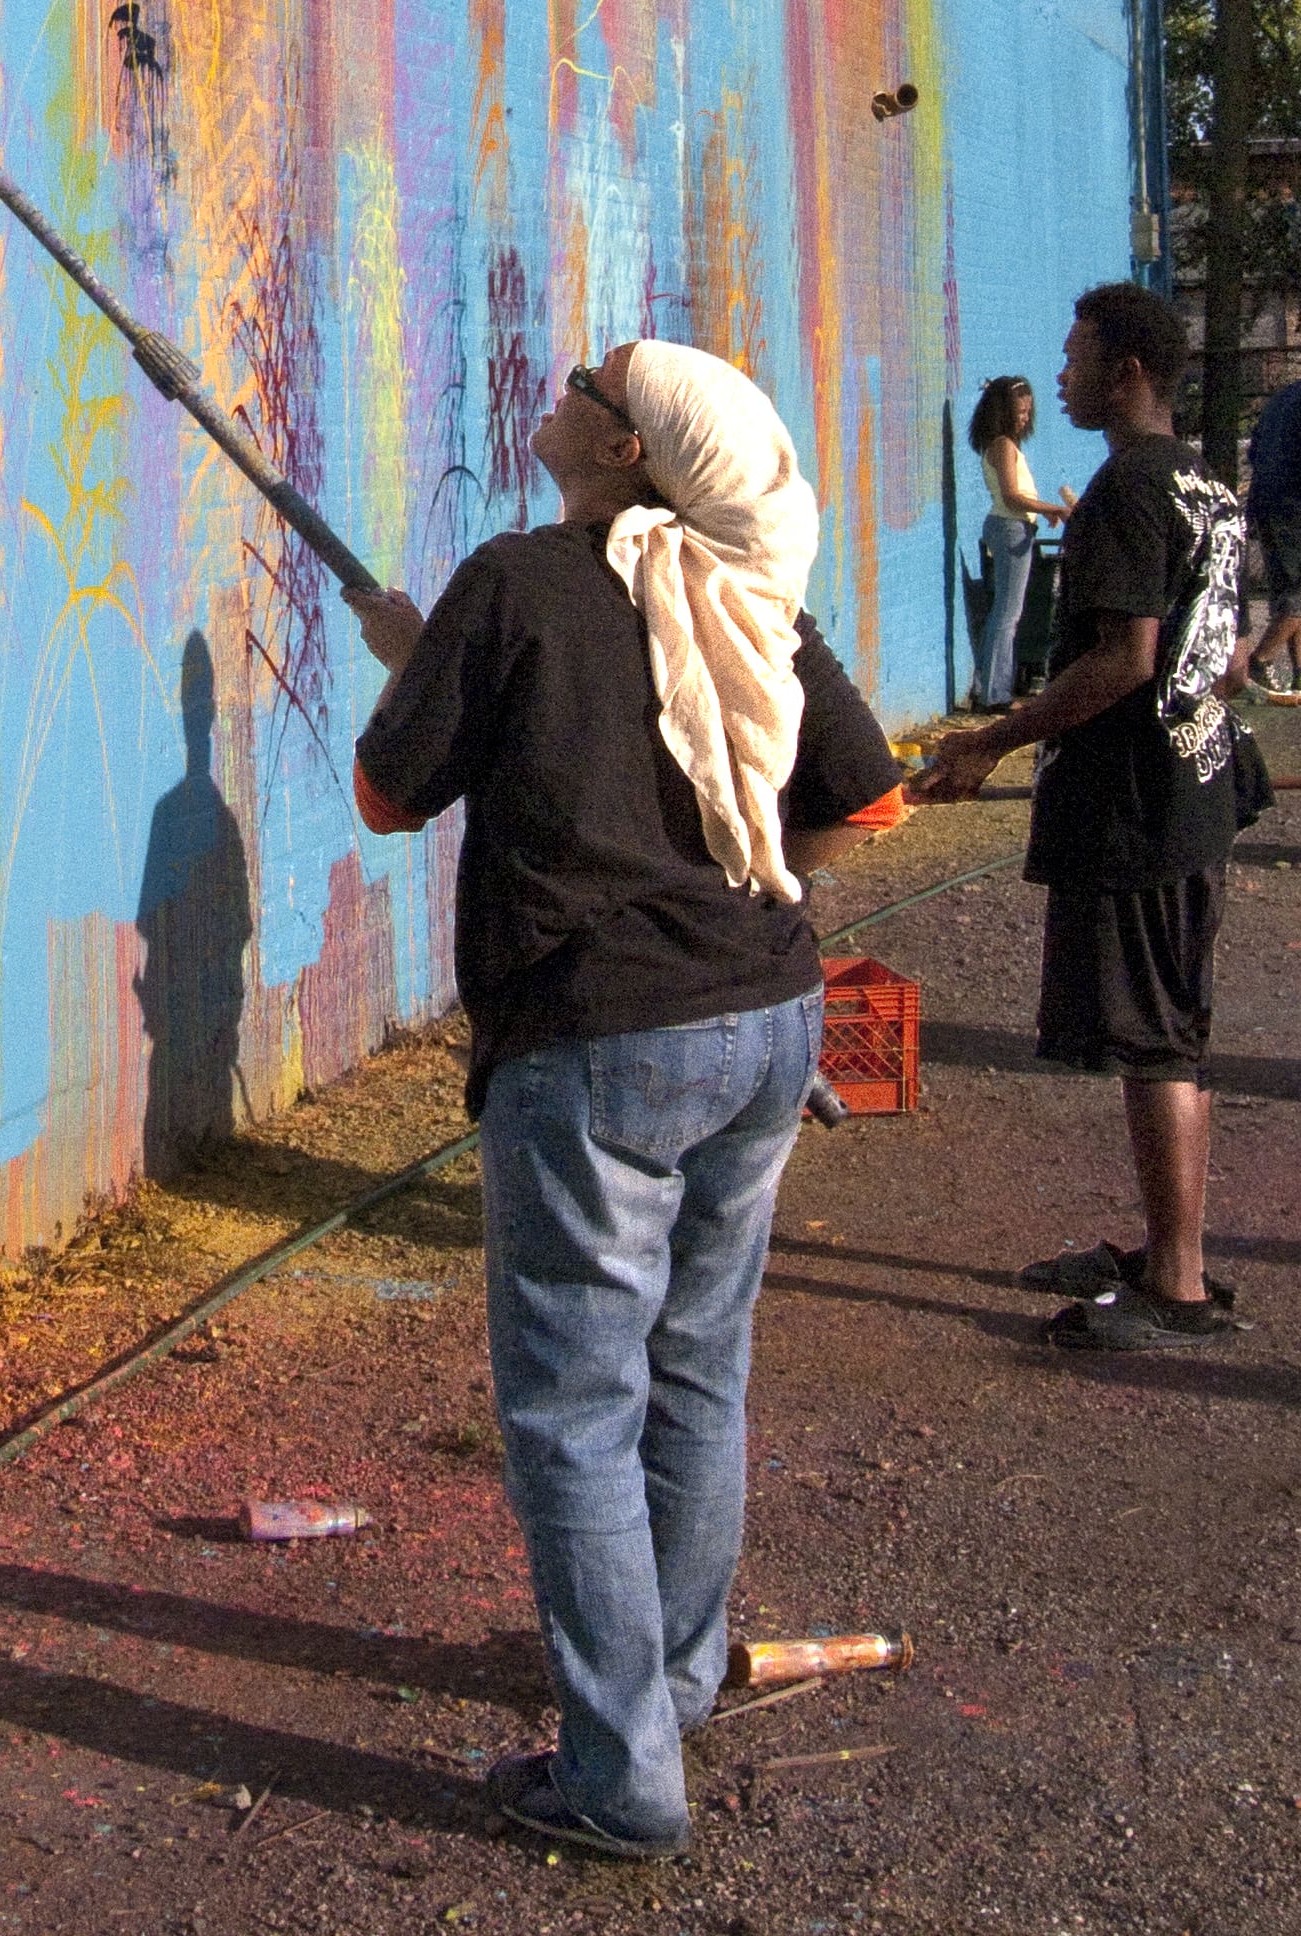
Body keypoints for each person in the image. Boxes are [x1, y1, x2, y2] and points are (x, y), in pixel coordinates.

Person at [344, 342, 900, 1862]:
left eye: (598, 379)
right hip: (768, 1014)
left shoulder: (516, 582)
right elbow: (867, 792)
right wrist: (727, 902)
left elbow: (392, 796)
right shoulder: (745, 597)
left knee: (577, 1412)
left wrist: (422, 660)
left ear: (629, 448)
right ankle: (671, 1685)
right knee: (697, 1372)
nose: (571, 380)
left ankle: (622, 1778)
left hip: (599, 1045)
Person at [917, 282, 1244, 1350]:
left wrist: (990, 740)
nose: (1059, 377)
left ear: (1129, 370)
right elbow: (1222, 657)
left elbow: (1126, 658)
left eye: (1076, 358)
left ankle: (1178, 1287)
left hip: (1144, 810)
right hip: (1195, 797)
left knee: (1155, 1044)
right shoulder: (1210, 487)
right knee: (1171, 1033)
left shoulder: (1126, 492)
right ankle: (1164, 1249)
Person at [967, 374, 1071, 711]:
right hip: (1011, 527)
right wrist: (1053, 508)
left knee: (1005, 612)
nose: (1025, 418)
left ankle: (988, 688)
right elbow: (1013, 496)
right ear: (1003, 411)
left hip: (1014, 527)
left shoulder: (1003, 445)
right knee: (1008, 614)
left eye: (1028, 412)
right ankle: (995, 695)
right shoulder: (1003, 446)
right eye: (1019, 412)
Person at [1231, 337, 1301, 696]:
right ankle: (1258, 662)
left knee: (1288, 592)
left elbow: (1255, 451)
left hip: (1267, 505)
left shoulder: (1283, 399)